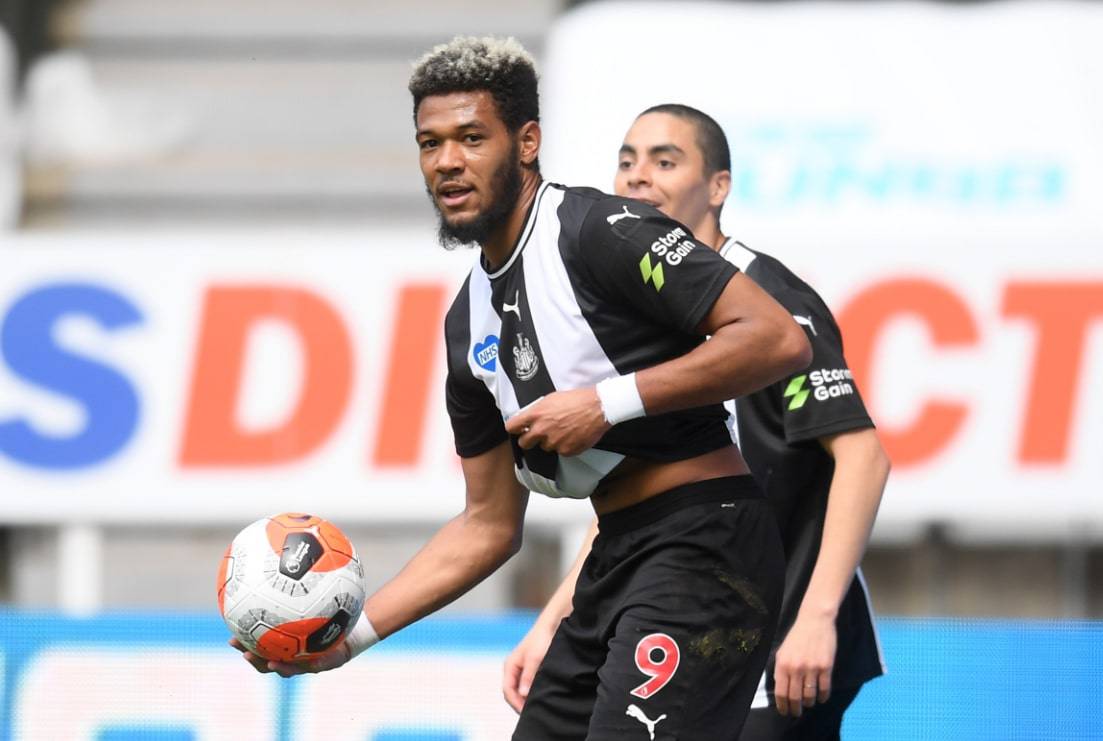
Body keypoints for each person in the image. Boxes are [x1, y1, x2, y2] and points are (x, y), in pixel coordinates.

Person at [231, 37, 812, 739]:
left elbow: (775, 337)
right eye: (430, 143)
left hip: (706, 546)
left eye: (472, 138)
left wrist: (606, 403)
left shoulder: (600, 230)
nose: (448, 161)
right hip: (614, 556)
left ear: (527, 141)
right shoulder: (464, 323)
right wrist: (346, 642)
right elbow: (487, 523)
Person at [502, 104, 891, 740]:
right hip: (685, 606)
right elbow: (638, 497)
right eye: (626, 161)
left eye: (664, 160)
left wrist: (817, 615)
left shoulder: (770, 302)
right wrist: (553, 619)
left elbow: (863, 457)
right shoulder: (641, 313)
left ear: (718, 187)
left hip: (784, 629)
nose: (637, 177)